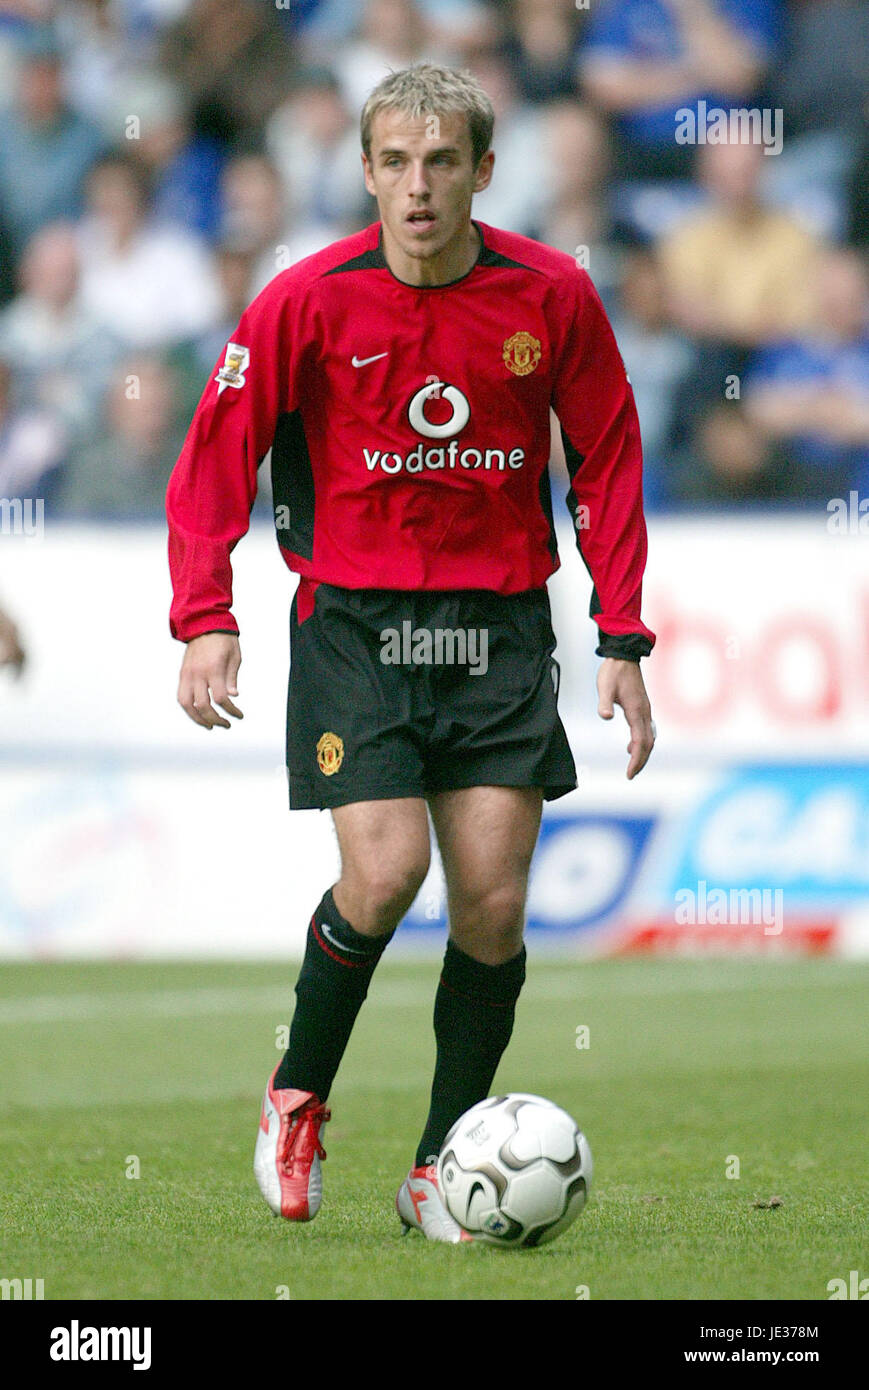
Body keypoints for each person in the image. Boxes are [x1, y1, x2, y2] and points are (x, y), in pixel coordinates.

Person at [166, 64, 656, 1243]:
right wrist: (205, 616)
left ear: (482, 171)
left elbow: (606, 454)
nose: (417, 186)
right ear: (369, 172)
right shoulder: (304, 300)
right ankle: (296, 1096)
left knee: (490, 906)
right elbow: (215, 457)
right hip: (357, 628)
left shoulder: (549, 295)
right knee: (382, 876)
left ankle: (441, 1165)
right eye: (395, 162)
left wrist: (622, 632)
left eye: (442, 162)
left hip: (496, 632)